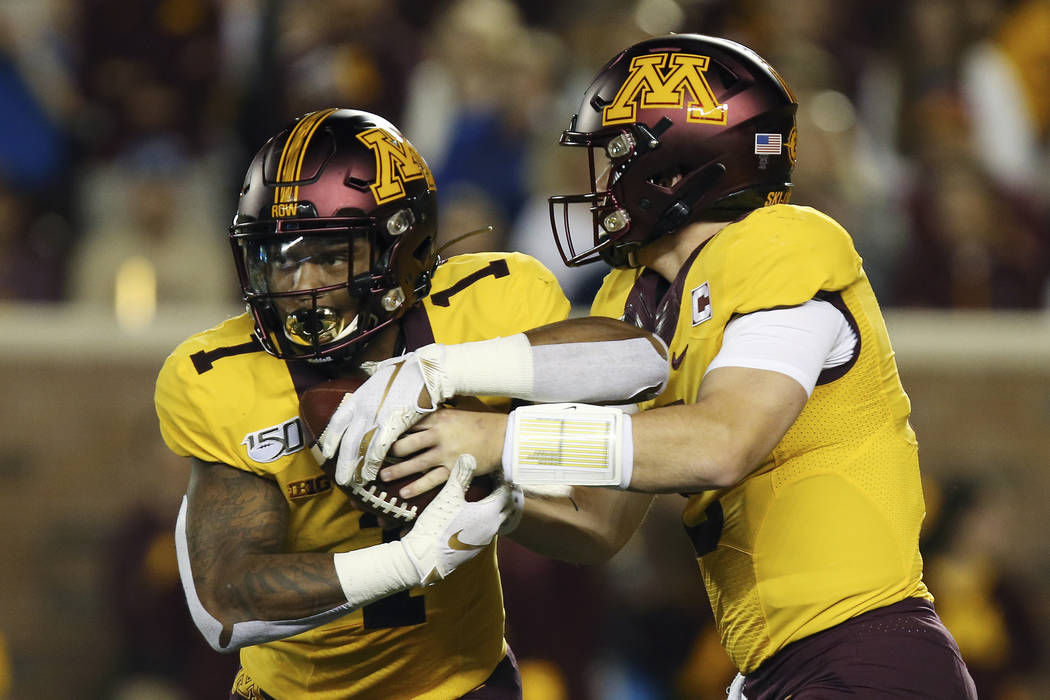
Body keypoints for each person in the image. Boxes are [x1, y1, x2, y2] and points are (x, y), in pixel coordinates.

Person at [321, 36, 979, 699]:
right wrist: (490, 489)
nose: (602, 182)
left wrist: (495, 437)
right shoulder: (632, 300)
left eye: (618, 157)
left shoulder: (783, 244)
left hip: (869, 649)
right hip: (779, 670)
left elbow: (724, 444)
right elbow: (600, 522)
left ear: (682, 165)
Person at [153, 108, 663, 699]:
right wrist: (412, 559)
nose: (297, 285)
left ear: (399, 246)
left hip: (464, 683)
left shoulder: (485, 303)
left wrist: (442, 372)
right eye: (281, 257)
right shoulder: (221, 376)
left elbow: (643, 361)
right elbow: (226, 602)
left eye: (327, 255)